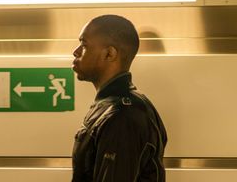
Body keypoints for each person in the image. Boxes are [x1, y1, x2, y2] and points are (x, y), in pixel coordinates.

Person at [71, 14, 167, 182]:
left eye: (84, 45)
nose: (76, 52)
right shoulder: (112, 107)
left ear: (110, 54)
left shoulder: (121, 116)